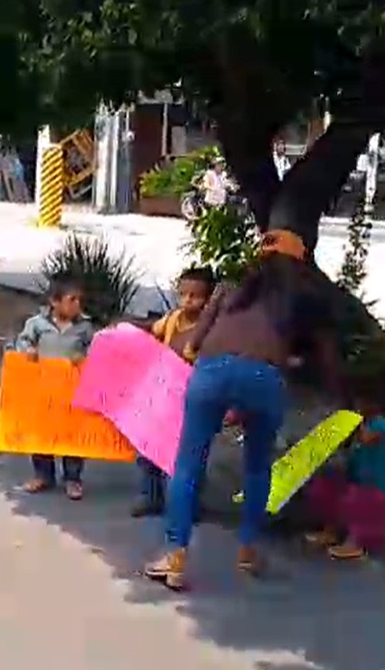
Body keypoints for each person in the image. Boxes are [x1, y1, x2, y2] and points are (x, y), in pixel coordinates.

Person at [143, 230, 346, 591]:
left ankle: (175, 556)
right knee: (256, 467)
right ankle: (248, 548)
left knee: (188, 465)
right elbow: (322, 357)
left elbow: (192, 346)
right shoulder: (304, 302)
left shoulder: (227, 290)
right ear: (300, 264)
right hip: (265, 379)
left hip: (211, 373)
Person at [132, 266, 217, 518]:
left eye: (195, 295)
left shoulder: (210, 328)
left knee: (190, 452)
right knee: (149, 449)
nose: (187, 300)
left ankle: (190, 502)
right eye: (183, 294)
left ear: (208, 299)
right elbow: (153, 331)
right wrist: (129, 328)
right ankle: (151, 496)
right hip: (163, 394)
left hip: (193, 399)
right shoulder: (172, 319)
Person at [14, 276, 95, 501]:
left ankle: (73, 479)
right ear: (54, 302)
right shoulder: (37, 324)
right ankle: (43, 475)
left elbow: (95, 350)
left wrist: (84, 358)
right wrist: (28, 349)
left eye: (80, 300)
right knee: (42, 432)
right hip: (43, 388)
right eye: (72, 300)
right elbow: (21, 341)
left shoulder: (84, 327)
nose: (77, 304)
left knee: (72, 434)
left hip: (72, 390)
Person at [304, 401, 385, 560]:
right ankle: (331, 532)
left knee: (359, 502)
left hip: (378, 481)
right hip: (361, 474)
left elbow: (367, 439)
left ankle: (356, 544)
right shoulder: (368, 423)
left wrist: (357, 422)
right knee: (332, 493)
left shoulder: (383, 425)